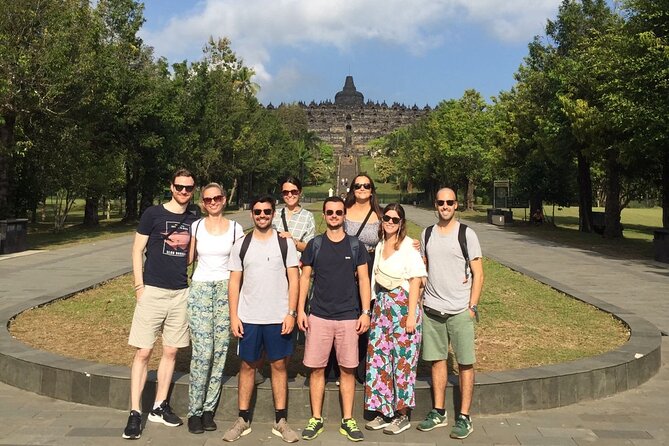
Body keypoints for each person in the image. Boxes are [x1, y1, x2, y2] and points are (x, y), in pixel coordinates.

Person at [122, 168, 198, 440]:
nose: (183, 192)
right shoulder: (152, 214)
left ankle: (159, 405)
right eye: (179, 187)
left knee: (170, 352)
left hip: (179, 292)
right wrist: (139, 287)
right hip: (152, 290)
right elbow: (136, 250)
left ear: (193, 189)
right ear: (171, 186)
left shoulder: (194, 216)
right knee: (143, 352)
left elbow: (191, 255)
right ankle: (134, 412)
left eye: (188, 188)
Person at [223, 196, 300, 443]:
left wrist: (291, 312)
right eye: (258, 212)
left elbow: (294, 279)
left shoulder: (284, 244)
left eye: (267, 211)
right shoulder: (242, 244)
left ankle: (281, 420)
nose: (262, 215)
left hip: (278, 317)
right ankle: (242, 418)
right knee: (247, 366)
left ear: (273, 213)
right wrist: (234, 315)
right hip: (249, 317)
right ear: (252, 214)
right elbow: (234, 282)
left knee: (279, 366)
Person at [297, 196, 371, 442]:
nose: (334, 216)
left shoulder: (355, 245)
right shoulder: (314, 245)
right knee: (316, 369)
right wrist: (300, 311)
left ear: (344, 215)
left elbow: (364, 280)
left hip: (348, 317)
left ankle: (347, 419)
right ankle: (316, 418)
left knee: (347, 370)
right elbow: (304, 279)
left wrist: (365, 312)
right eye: (330, 212)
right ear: (324, 215)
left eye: (339, 212)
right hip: (318, 316)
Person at [417, 188, 484, 440]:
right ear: (435, 205)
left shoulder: (467, 234)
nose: (445, 206)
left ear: (456, 205)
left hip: (459, 310)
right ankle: (439, 411)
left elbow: (478, 272)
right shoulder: (427, 234)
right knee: (437, 361)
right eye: (441, 202)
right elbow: (423, 266)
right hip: (433, 308)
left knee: (465, 362)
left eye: (449, 202)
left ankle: (464, 416)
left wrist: (472, 307)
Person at [186, 183, 244, 434]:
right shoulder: (196, 226)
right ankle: (194, 410)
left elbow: (242, 263)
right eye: (208, 199)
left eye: (217, 197)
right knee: (202, 352)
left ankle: (209, 409)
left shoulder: (235, 228)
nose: (213, 202)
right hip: (199, 289)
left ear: (223, 199)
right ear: (202, 202)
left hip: (225, 290)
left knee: (220, 351)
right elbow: (188, 258)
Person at [364, 203, 426, 435]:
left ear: (401, 222)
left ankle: (402, 415)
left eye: (394, 219)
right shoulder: (381, 245)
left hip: (402, 308)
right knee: (379, 359)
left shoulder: (409, 246)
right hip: (382, 307)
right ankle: (383, 411)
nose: (390, 222)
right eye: (386, 218)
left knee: (403, 362)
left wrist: (411, 315)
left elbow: (416, 280)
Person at [341, 173, 382, 384]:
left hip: (372, 272)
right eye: (358, 185)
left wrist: (414, 245)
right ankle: (343, 366)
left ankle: (364, 368)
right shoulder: (343, 212)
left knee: (369, 318)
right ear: (352, 189)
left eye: (366, 185)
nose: (362, 189)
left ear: (372, 189)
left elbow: (393, 238)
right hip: (346, 271)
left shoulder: (380, 214)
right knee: (347, 319)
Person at [272, 175, 316, 255]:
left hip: (295, 265)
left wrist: (294, 242)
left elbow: (309, 247)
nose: (289, 195)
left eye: (294, 191)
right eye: (285, 192)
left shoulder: (308, 216)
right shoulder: (274, 214)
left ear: (300, 192)